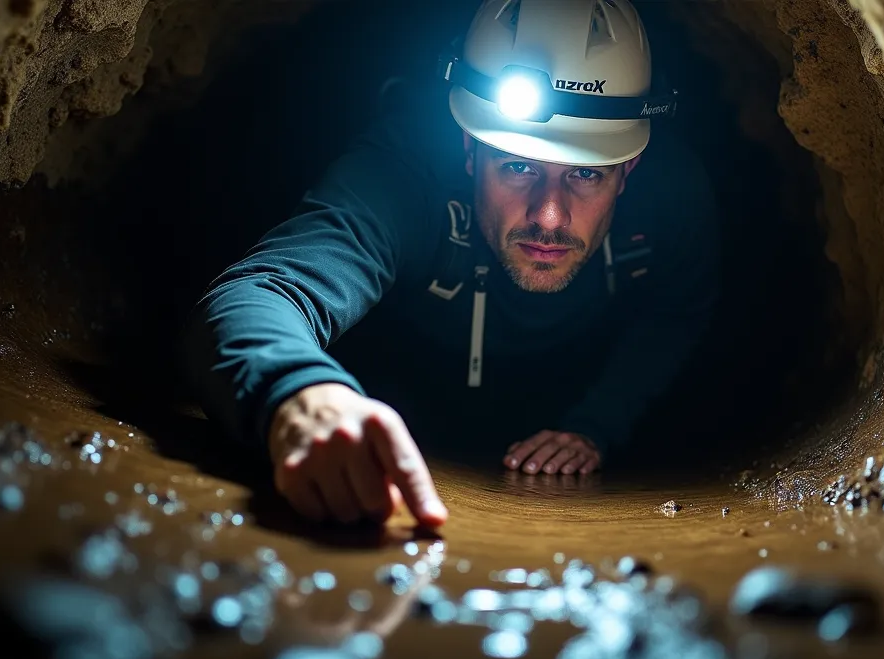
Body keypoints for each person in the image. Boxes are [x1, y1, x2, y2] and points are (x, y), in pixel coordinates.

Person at [183, 0, 720, 528]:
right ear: (469, 147)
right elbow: (263, 290)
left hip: (565, 387)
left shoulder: (673, 199)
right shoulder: (403, 174)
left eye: (586, 175)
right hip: (402, 391)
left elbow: (676, 314)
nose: (549, 217)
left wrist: (596, 425)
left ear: (628, 170)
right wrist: (300, 394)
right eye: (517, 166)